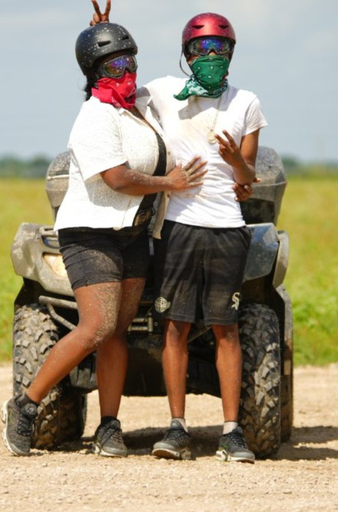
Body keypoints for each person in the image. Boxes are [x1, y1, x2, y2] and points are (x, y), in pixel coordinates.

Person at [1, 21, 207, 458]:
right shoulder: (94, 114)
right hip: (90, 233)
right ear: (93, 72)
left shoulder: (141, 105)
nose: (124, 69)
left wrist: (103, 33)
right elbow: (117, 179)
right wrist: (169, 184)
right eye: (113, 63)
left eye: (128, 60)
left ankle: (108, 426)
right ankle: (24, 405)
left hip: (132, 234)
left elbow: (174, 93)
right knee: (96, 326)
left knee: (117, 331)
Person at [91, 2, 266, 463]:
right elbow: (113, 90)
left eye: (219, 47)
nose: (211, 54)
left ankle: (232, 432)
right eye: (202, 47)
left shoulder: (246, 102)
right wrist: (100, 45)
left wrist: (236, 163)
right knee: (176, 328)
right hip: (177, 226)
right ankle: (177, 428)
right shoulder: (165, 92)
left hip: (227, 227)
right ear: (187, 53)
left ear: (231, 52)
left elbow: (248, 178)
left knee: (226, 329)